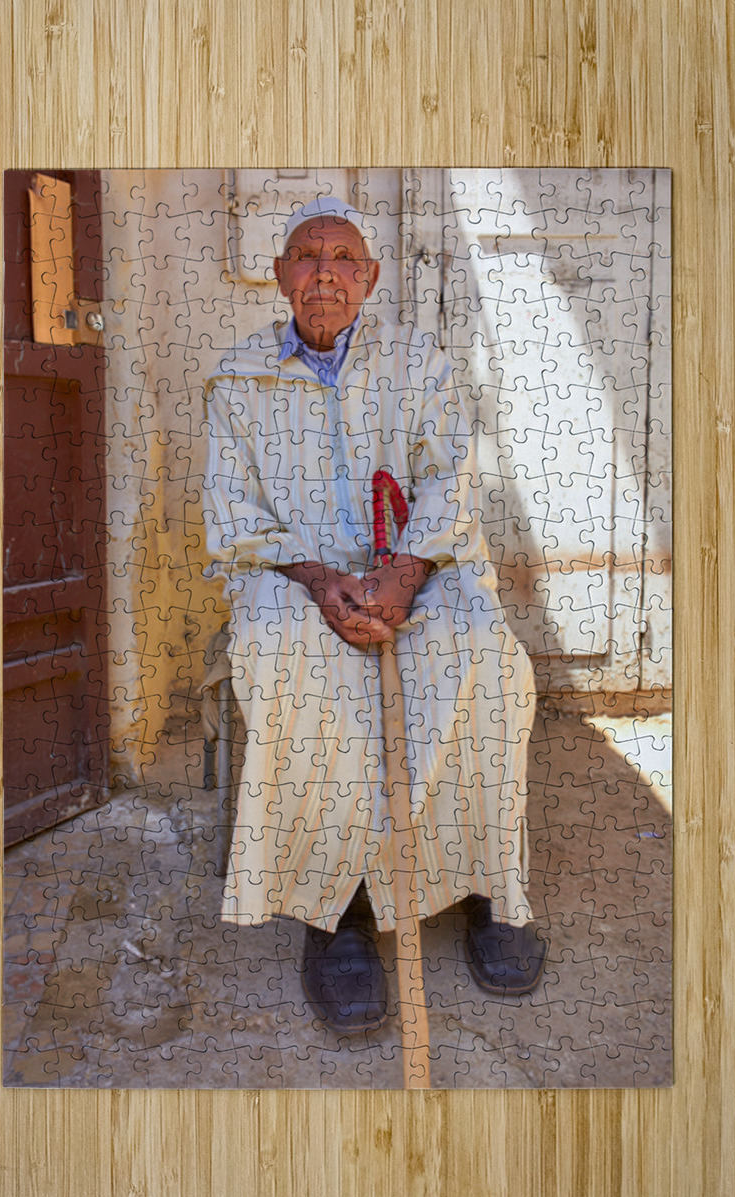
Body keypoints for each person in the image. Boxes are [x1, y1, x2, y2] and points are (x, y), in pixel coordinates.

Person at [203, 197, 547, 1031]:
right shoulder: (235, 378)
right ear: (281, 275)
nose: (326, 272)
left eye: (346, 259)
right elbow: (235, 516)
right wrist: (323, 583)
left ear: (372, 277)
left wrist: (403, 573)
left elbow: (451, 477)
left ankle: (487, 886)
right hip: (297, 579)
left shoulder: (418, 360)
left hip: (415, 567)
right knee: (284, 653)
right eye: (308, 256)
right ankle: (340, 911)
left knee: (483, 653)